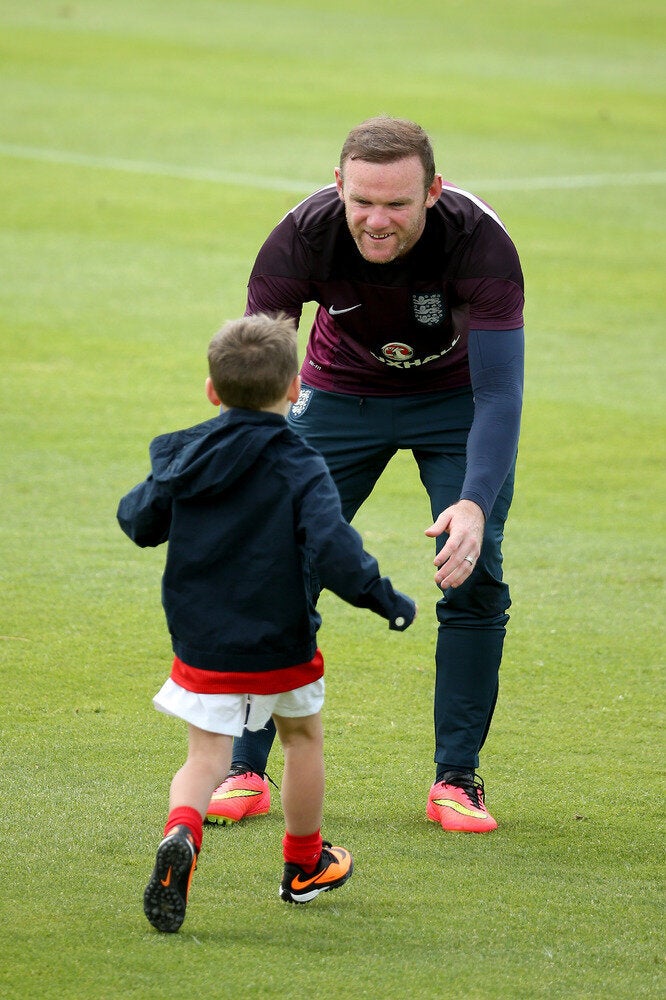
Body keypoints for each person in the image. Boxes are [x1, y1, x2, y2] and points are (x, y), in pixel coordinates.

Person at [206, 116, 524, 835]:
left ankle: (457, 781)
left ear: (433, 192)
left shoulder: (481, 243)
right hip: (338, 395)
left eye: (398, 204)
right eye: (362, 202)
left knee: (474, 569)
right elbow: (259, 370)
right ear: (340, 185)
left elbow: (501, 391)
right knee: (278, 566)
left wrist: (474, 502)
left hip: (456, 403)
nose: (377, 220)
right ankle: (246, 770)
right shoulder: (300, 237)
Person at [117, 313, 416, 933]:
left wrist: (160, 489)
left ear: (211, 390)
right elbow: (334, 547)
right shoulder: (301, 463)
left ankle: (182, 833)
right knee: (302, 737)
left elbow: (139, 521)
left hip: (202, 639)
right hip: (281, 638)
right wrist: (384, 598)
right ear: (296, 391)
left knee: (206, 755)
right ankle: (304, 865)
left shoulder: (183, 452)